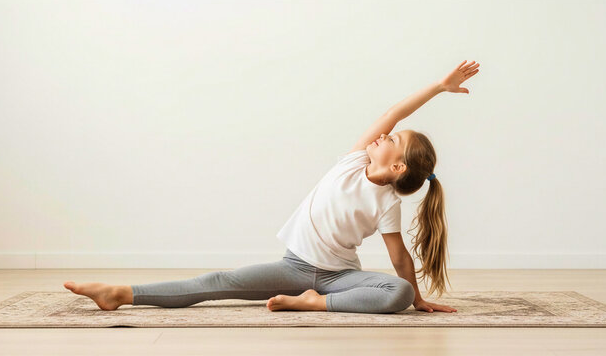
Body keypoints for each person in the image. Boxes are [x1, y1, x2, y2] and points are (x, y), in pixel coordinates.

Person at [64, 60, 480, 314]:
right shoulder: (355, 159)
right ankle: (120, 294)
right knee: (218, 282)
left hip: (337, 280)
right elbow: (393, 110)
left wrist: (417, 297)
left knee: (399, 293)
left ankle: (316, 305)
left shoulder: (387, 202)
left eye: (392, 139)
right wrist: (439, 88)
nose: (383, 135)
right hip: (294, 267)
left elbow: (399, 259)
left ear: (397, 166)